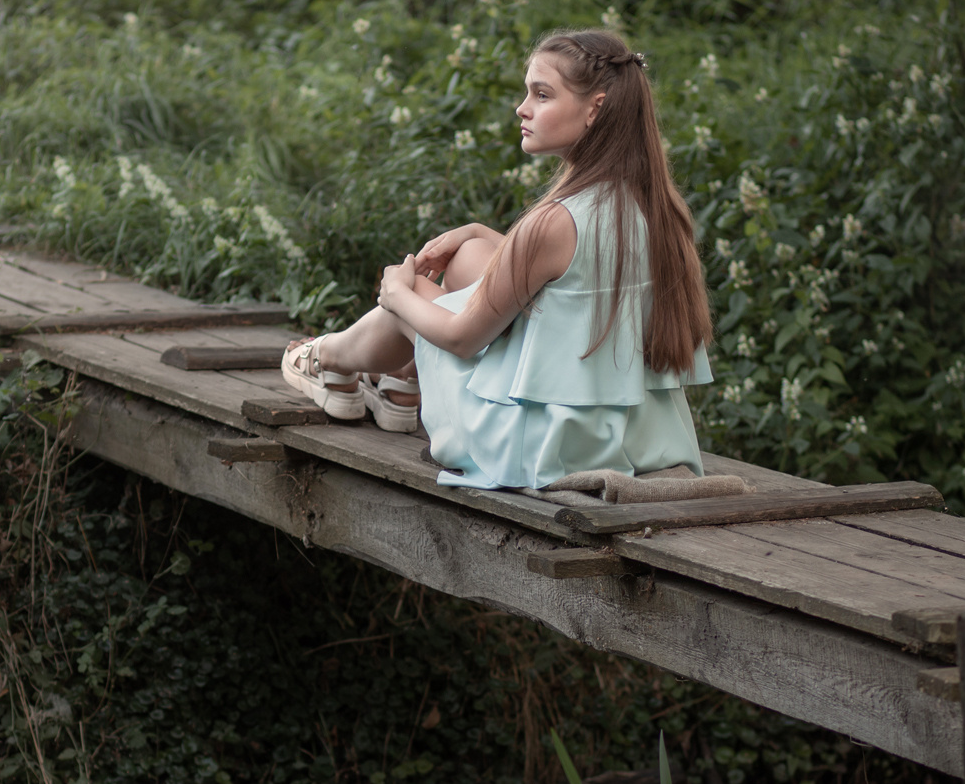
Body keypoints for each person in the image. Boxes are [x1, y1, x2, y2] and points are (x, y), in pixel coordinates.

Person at [280, 27, 714, 490]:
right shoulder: (657, 206)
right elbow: (571, 273)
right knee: (473, 256)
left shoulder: (554, 222)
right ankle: (401, 381)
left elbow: (462, 339)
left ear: (596, 108)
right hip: (626, 439)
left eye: (542, 94)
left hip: (533, 448)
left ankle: (328, 358)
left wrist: (396, 292)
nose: (522, 108)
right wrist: (476, 232)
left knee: (427, 296)